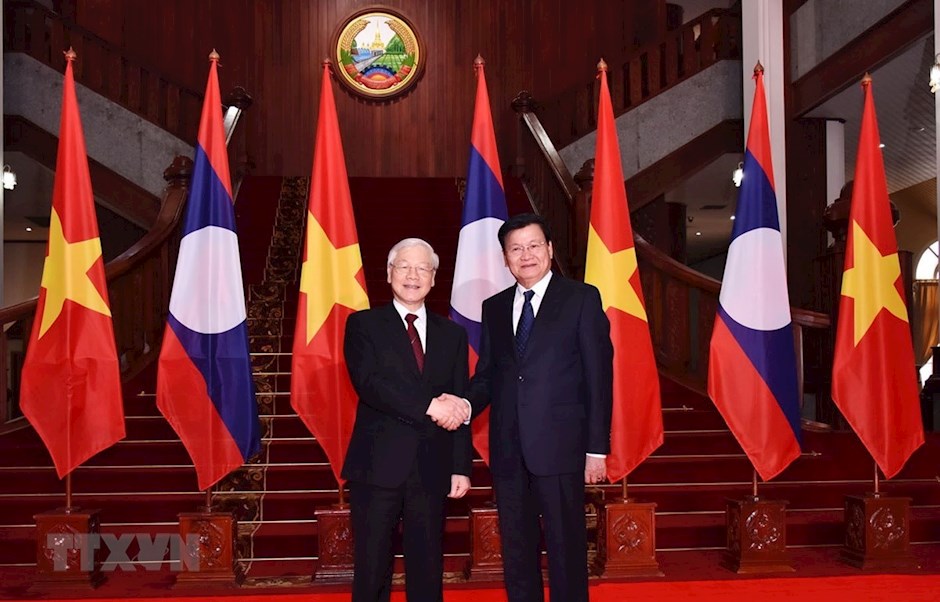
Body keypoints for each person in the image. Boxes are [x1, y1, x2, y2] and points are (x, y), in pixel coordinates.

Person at [441, 213, 613, 602]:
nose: (526, 255)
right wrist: (465, 404)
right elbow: (488, 374)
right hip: (508, 450)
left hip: (562, 447)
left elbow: (599, 377)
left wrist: (596, 448)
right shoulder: (494, 307)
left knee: (566, 548)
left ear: (549, 249)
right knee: (517, 550)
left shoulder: (581, 299)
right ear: (505, 258)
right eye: (516, 249)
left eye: (534, 245)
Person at [342, 238, 473, 602]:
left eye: (422, 268)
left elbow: (459, 401)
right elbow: (370, 384)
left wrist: (460, 467)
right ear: (389, 273)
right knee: (371, 569)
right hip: (376, 466)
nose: (412, 276)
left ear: (433, 277)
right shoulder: (363, 325)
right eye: (404, 266)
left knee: (428, 568)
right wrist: (429, 406)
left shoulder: (453, 334)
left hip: (432, 467)